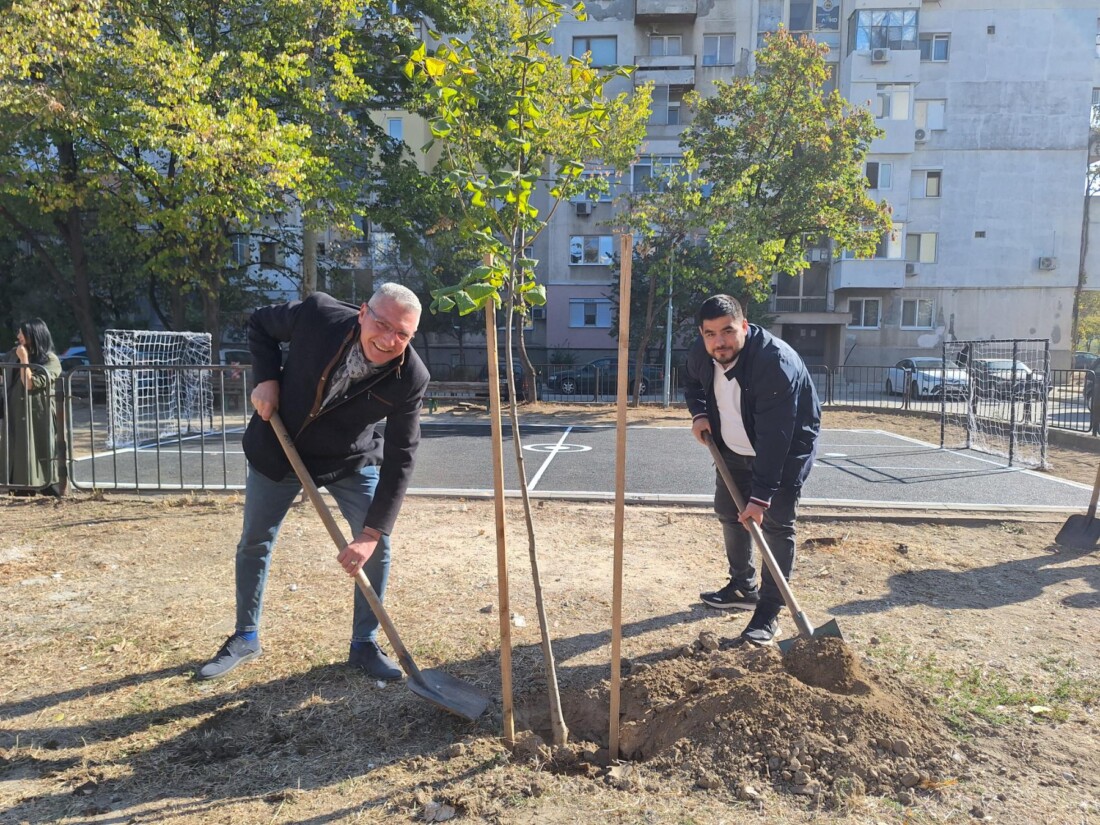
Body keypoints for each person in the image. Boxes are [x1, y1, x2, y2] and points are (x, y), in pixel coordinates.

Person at [197, 284, 429, 681]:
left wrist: (371, 533)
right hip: (279, 444)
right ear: (362, 313)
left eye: (402, 334)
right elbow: (260, 324)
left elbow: (401, 455)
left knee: (377, 545)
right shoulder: (318, 315)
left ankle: (364, 643)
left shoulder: (410, 376)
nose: (389, 339)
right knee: (255, 540)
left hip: (348, 459)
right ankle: (245, 636)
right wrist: (267, 378)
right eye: (382, 323)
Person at [684, 295, 821, 646]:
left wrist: (761, 497)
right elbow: (692, 383)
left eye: (728, 331)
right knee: (729, 513)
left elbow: (776, 438)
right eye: (710, 333)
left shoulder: (774, 363)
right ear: (702, 334)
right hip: (731, 448)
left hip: (784, 452)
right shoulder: (704, 353)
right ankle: (742, 585)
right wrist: (699, 414)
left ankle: (769, 613)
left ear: (744, 326)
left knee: (775, 527)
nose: (720, 341)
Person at [1, 319, 62, 495]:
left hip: (37, 414)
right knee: (17, 449)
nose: (19, 336)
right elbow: (4, 377)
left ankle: (47, 486)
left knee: (39, 448)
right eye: (18, 332)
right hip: (15, 411)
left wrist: (25, 360)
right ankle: (20, 487)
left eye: (23, 333)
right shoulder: (13, 354)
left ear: (34, 335)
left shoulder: (50, 359)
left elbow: (29, 383)